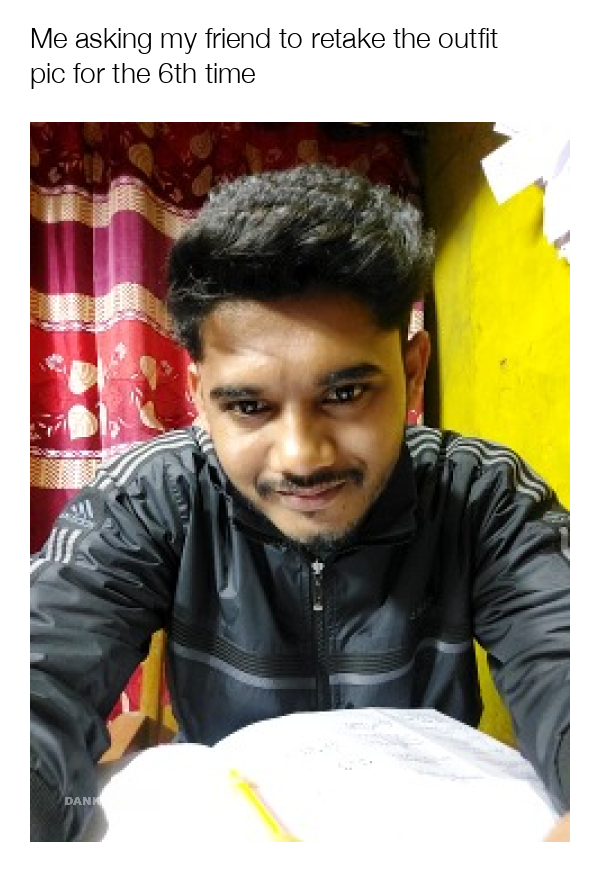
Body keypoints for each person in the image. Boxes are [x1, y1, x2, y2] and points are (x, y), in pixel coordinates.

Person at [30, 163, 570, 841]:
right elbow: (37, 677)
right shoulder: (152, 497)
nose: (302, 458)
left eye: (345, 394)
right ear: (199, 399)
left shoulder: (481, 498)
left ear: (413, 372)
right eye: (248, 406)